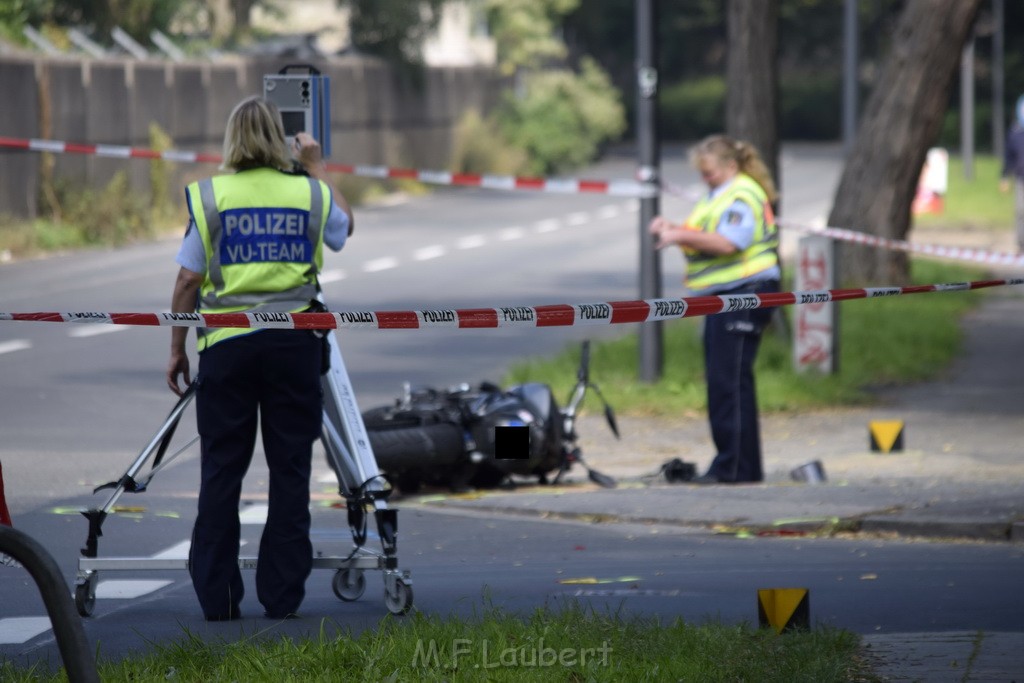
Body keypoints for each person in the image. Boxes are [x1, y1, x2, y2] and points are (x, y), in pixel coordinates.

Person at [166, 96, 353, 621]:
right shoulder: (309, 193)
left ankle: (219, 598)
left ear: (231, 140)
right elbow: (343, 231)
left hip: (227, 348)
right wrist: (316, 167)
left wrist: (177, 348)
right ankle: (281, 595)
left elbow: (187, 279)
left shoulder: (210, 196)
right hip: (295, 347)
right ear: (280, 138)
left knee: (223, 470)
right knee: (290, 469)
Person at [649, 134, 780, 484]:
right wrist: (675, 229)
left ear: (731, 166)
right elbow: (706, 232)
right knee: (726, 380)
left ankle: (734, 468)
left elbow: (729, 241)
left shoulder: (741, 194)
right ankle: (740, 467)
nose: (705, 178)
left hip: (745, 292)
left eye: (709, 172)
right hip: (727, 295)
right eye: (702, 173)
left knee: (729, 382)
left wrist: (679, 237)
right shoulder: (719, 194)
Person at [999, 94, 1024, 254]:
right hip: (1021, 179)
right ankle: (1021, 244)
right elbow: (1008, 156)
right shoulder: (1015, 132)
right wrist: (1004, 177)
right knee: (1021, 212)